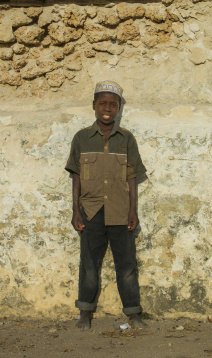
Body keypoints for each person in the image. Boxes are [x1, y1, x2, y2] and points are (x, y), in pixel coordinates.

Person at [65, 80, 147, 329]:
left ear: (119, 107)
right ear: (94, 106)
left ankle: (133, 313)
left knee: (127, 265)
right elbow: (76, 176)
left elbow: (132, 176)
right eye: (103, 103)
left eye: (113, 104)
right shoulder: (81, 138)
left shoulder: (127, 139)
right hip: (90, 211)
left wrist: (133, 210)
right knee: (89, 264)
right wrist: (75, 210)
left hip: (121, 211)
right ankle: (85, 313)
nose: (108, 108)